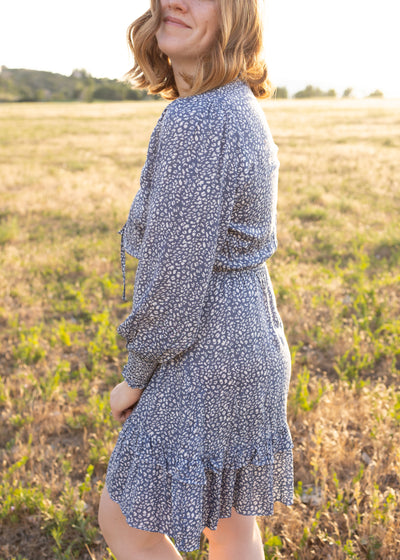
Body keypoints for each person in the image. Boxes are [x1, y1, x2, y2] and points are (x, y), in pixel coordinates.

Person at [98, 0, 294, 558]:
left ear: (236, 17)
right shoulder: (236, 106)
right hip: (253, 345)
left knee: (123, 519)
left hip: (205, 357)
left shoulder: (198, 120)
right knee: (232, 531)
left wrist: (134, 377)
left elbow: (174, 283)